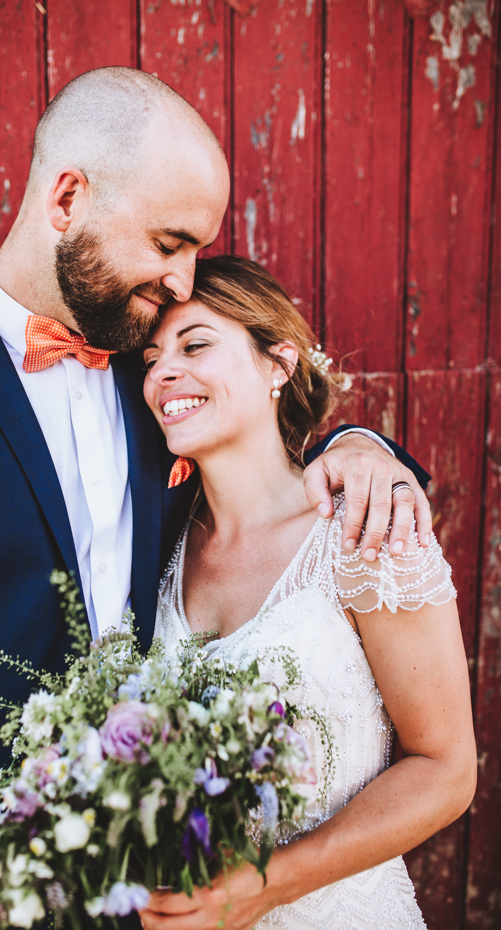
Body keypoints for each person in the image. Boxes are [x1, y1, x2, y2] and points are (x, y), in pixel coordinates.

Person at [0, 69, 431, 929]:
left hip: (163, 890)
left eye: (195, 255)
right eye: (169, 242)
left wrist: (365, 449)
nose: (182, 281)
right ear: (67, 198)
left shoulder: (149, 365)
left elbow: (255, 435)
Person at [140, 255, 476, 930]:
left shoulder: (365, 523)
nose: (162, 372)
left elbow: (446, 769)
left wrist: (267, 887)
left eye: (195, 344)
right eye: (149, 359)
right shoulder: (152, 551)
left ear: (279, 364)